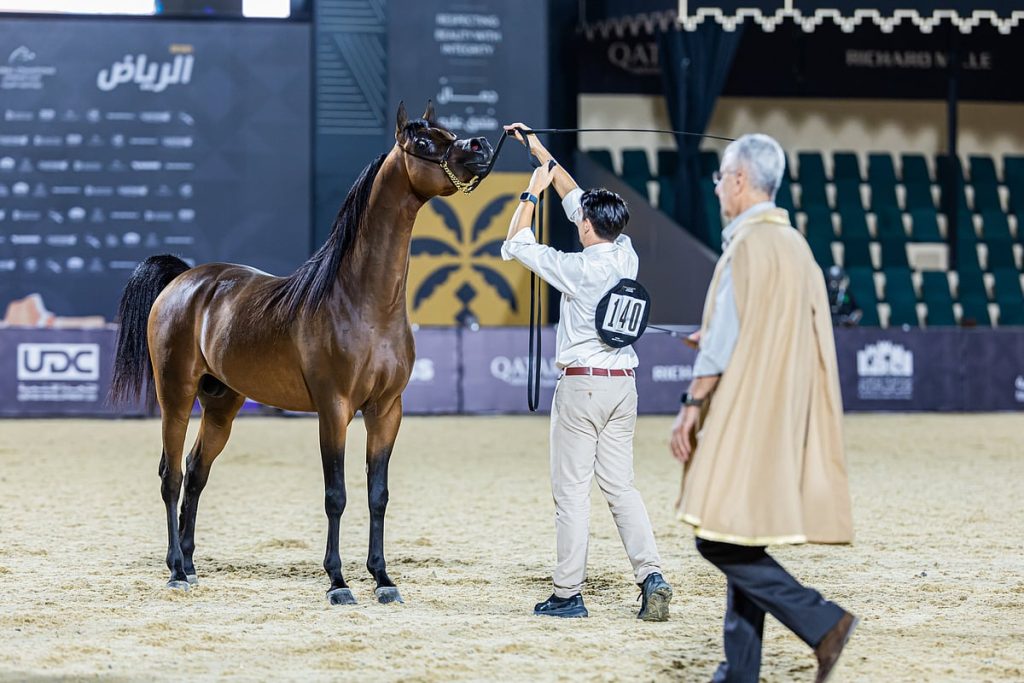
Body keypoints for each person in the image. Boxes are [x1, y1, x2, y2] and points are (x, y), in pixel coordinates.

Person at [670, 134, 857, 682]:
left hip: (747, 412)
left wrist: (691, 404)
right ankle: (740, 671)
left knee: (716, 536)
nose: (716, 188)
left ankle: (823, 621)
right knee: (742, 531)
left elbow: (725, 342)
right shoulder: (796, 247)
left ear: (739, 180)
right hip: (785, 412)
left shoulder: (746, 246)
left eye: (720, 178)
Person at [501, 123, 672, 621]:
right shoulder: (625, 253)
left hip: (583, 386)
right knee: (622, 488)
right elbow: (575, 196)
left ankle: (567, 593)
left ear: (586, 227)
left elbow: (515, 244)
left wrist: (531, 192)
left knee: (572, 493)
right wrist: (539, 151)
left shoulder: (577, 269)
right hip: (624, 387)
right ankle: (651, 575)